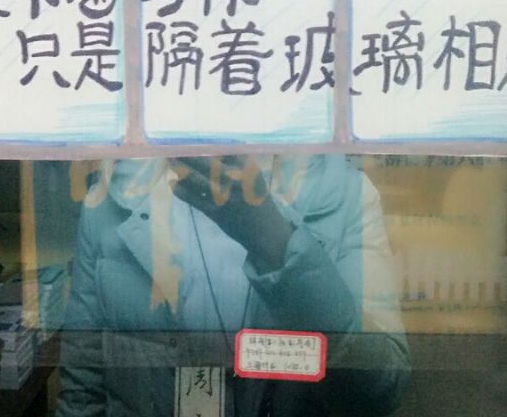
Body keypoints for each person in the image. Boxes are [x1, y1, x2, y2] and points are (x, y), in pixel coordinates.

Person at [55, 154, 410, 417]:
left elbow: (378, 394)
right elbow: (83, 388)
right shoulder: (115, 193)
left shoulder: (342, 194)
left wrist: (276, 243)